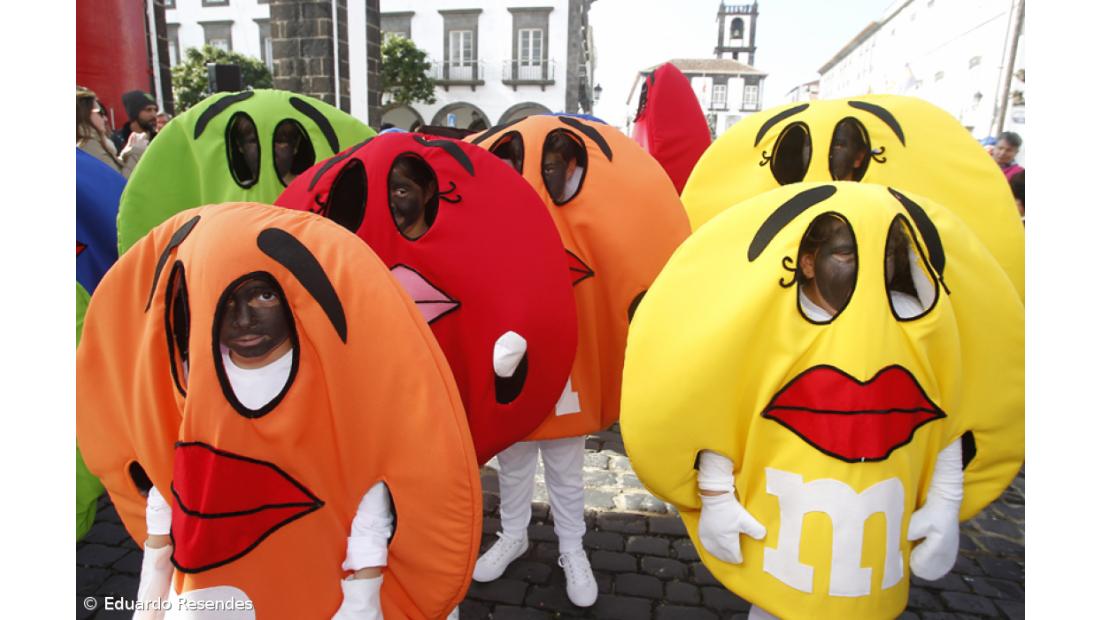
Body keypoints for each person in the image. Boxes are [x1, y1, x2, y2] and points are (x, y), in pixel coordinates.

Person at [134, 276, 395, 619]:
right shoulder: (189, 376)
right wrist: (153, 586)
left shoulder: (337, 379)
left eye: (265, 295)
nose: (243, 319)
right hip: (208, 587)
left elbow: (369, 488)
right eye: (225, 299)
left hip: (313, 582)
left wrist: (361, 600)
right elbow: (170, 473)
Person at [473, 131, 597, 609]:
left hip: (565, 358)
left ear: (570, 169)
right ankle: (513, 535)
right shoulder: (492, 221)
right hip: (510, 355)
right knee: (514, 462)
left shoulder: (578, 216)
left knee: (566, 466)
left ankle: (572, 547)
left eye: (548, 167)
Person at [77, 86, 145, 178]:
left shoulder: (88, 143)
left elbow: (110, 173)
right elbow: (120, 181)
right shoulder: (88, 144)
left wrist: (126, 153)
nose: (105, 119)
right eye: (100, 112)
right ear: (83, 113)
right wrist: (137, 151)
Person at [388, 155, 439, 239]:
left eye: (401, 192)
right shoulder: (368, 244)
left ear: (429, 191)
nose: (389, 204)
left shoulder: (444, 245)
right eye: (379, 193)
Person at [111, 90, 158, 169]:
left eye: (155, 110)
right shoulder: (117, 140)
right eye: (148, 110)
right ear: (134, 113)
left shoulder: (158, 138)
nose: (154, 115)